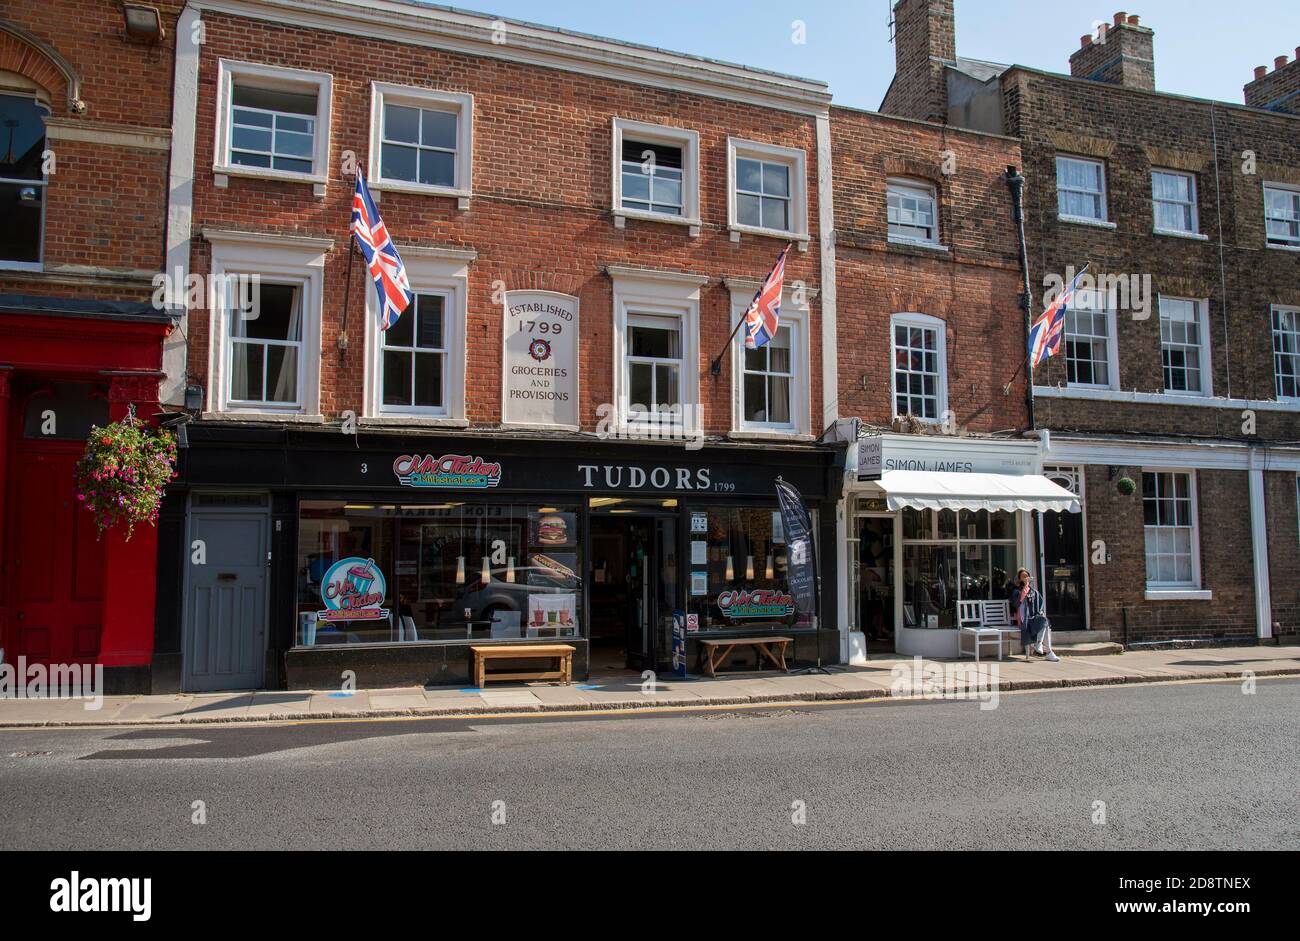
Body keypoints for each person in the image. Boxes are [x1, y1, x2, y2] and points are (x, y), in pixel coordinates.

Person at [1010, 568, 1058, 662]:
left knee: (1045, 621)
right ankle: (1047, 650)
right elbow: (1018, 602)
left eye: (1027, 576)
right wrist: (1026, 586)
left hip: (1034, 617)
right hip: (1024, 619)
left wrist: (1040, 612)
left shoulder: (1033, 591)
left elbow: (1040, 605)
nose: (1025, 578)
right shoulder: (1016, 591)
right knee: (1045, 623)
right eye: (1023, 576)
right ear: (1019, 579)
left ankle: (1042, 646)